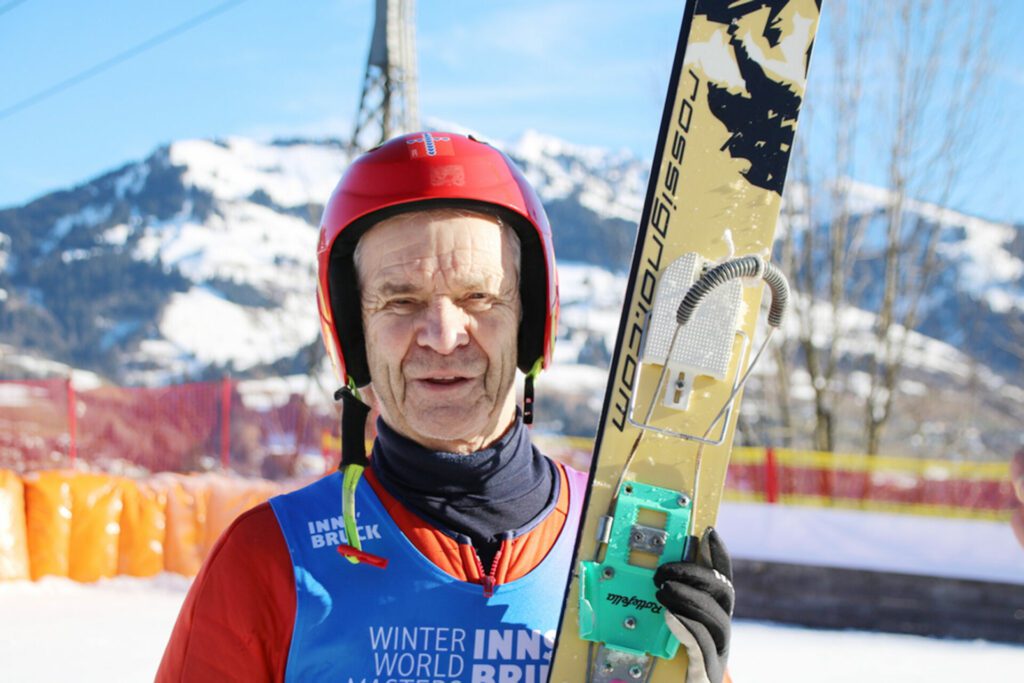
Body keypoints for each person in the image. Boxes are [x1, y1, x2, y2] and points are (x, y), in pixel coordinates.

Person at [156, 131, 734, 682]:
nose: (443, 335)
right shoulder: (270, 559)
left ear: (529, 320)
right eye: (401, 302)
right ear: (355, 336)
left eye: (478, 296)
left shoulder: (624, 542)